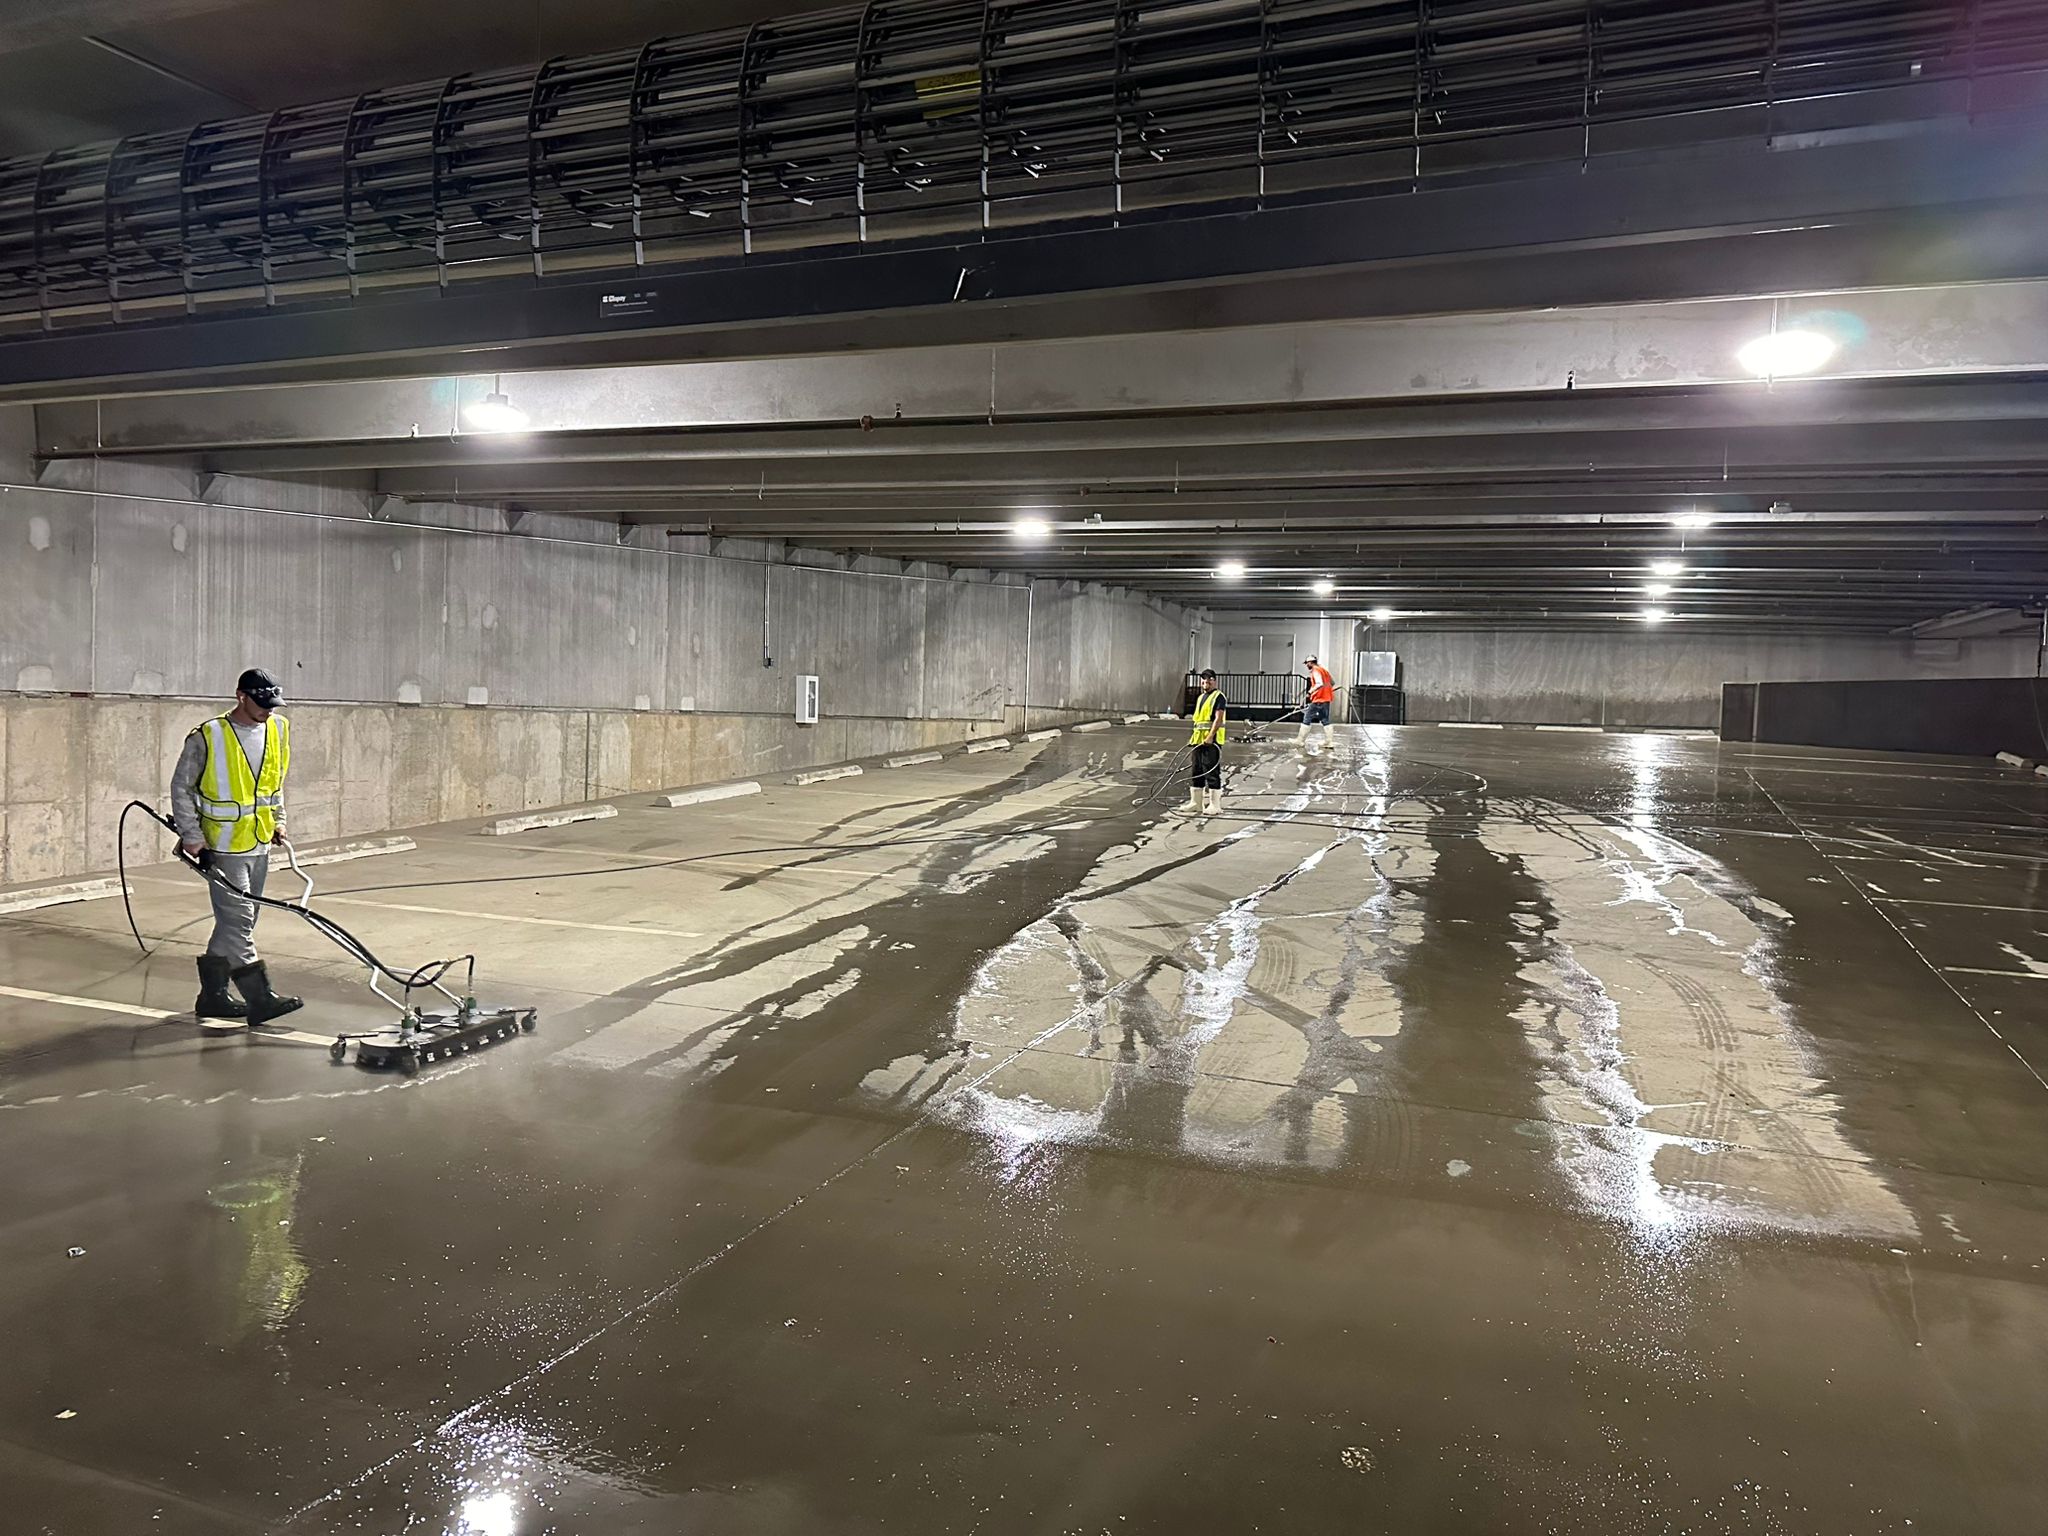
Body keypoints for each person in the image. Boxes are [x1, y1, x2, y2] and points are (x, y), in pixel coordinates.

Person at [171, 668, 304, 1026]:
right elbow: (182, 787)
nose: (268, 711)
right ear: (240, 696)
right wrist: (191, 835)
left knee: (238, 922)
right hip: (223, 845)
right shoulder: (209, 735)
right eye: (261, 704)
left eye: (273, 704)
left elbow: (274, 782)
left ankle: (213, 997)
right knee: (240, 921)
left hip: (259, 841)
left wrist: (278, 820)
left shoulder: (278, 728)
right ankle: (260, 998)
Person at [1185, 668, 1227, 816]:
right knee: (1196, 770)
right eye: (1204, 679)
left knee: (1211, 771)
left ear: (1214, 681)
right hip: (1198, 739)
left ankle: (1215, 805)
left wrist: (1210, 736)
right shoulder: (1201, 697)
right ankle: (1196, 803)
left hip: (1212, 741)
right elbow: (1199, 721)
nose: (1206, 681)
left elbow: (1218, 718)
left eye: (1209, 679)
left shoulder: (1219, 697)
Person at [1300, 654, 1336, 755]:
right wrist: (1326, 690)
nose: (1307, 665)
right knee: (1325, 719)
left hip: (1318, 699)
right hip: (1326, 698)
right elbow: (1332, 683)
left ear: (1310, 662)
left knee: (1307, 717)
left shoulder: (1315, 670)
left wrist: (1310, 692)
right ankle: (1329, 742)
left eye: (1307, 663)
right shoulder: (1324, 670)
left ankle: (1300, 740)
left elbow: (1319, 683)